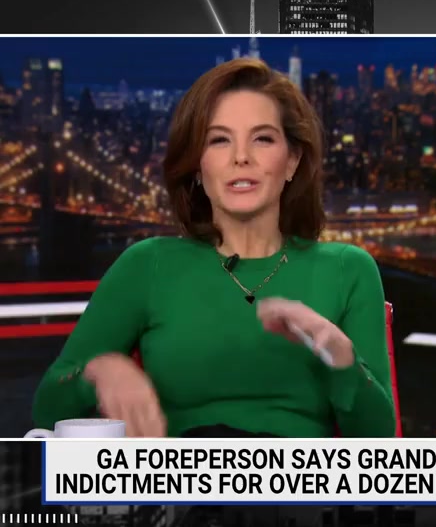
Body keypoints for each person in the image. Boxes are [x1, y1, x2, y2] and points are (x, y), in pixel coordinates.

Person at [32, 58, 397, 438]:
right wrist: (99, 371)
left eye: (262, 138)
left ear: (292, 160)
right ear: (196, 166)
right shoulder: (148, 265)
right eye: (219, 140)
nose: (241, 157)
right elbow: (47, 408)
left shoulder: (348, 269)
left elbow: (379, 444)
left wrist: (341, 358)